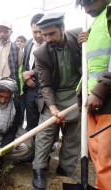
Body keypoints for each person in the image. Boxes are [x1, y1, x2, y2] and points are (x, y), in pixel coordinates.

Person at [31, 12, 82, 190]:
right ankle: (38, 169)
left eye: (51, 34)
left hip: (77, 94)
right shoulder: (41, 52)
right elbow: (45, 85)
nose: (47, 39)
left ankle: (65, 168)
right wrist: (52, 108)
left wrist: (89, 40)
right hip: (52, 96)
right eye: (44, 35)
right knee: (44, 135)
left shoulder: (80, 36)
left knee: (73, 136)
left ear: (63, 28)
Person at [76, 0, 111, 189]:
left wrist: (100, 89)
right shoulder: (97, 20)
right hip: (92, 101)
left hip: (106, 98)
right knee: (98, 157)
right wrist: (86, 40)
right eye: (82, 4)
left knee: (107, 160)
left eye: (89, 2)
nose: (86, 8)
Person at [22, 13, 44, 132]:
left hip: (44, 90)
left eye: (40, 31)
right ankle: (31, 148)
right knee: (31, 122)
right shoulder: (29, 43)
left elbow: (49, 66)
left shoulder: (50, 43)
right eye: (35, 32)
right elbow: (25, 64)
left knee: (44, 124)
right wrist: (26, 77)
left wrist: (31, 73)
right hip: (30, 90)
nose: (38, 35)